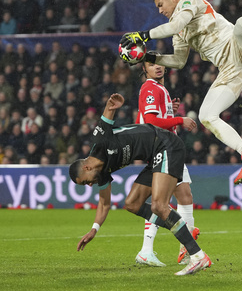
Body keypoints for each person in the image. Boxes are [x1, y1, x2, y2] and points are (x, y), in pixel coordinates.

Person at [120, 0, 242, 184]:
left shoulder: (190, 0)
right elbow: (178, 61)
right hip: (234, 70)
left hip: (236, 46)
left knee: (241, 26)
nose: (160, 10)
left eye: (161, 5)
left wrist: (143, 35)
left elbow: (175, 26)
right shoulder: (179, 33)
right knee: (207, 116)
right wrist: (150, 57)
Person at [69, 93, 211, 276]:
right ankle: (182, 228)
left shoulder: (100, 142)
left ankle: (198, 256)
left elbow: (107, 114)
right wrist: (93, 230)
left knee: (159, 205)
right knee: (132, 204)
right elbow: (104, 204)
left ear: (86, 167)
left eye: (86, 181)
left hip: (165, 144)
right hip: (154, 157)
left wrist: (112, 104)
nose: (89, 185)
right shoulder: (101, 174)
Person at [135, 51, 200, 267]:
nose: (157, 66)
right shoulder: (150, 88)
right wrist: (180, 119)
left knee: (183, 196)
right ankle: (186, 248)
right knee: (163, 201)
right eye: (151, 64)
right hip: (162, 149)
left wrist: (170, 113)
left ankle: (180, 248)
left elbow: (151, 118)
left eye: (159, 62)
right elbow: (151, 121)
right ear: (144, 69)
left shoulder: (159, 88)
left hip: (166, 147)